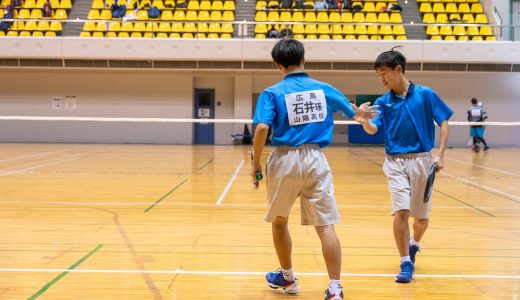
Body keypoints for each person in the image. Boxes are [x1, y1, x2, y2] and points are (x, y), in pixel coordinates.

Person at [251, 38, 378, 300]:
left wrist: (255, 165)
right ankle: (334, 288)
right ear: (303, 60)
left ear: (277, 65)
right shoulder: (323, 89)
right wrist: (361, 113)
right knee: (325, 226)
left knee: (279, 221)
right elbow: (352, 112)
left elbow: (262, 127)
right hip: (316, 159)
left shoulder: (272, 92)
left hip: (284, 159)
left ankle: (287, 278)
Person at [356, 47, 453, 283]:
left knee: (421, 220)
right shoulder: (383, 102)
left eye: (384, 73)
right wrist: (363, 121)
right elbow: (373, 129)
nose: (381, 79)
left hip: (422, 160)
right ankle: (405, 262)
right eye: (378, 74)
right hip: (395, 162)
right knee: (401, 211)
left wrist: (440, 155)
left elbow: (444, 122)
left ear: (398, 70)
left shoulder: (425, 94)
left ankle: (414, 244)